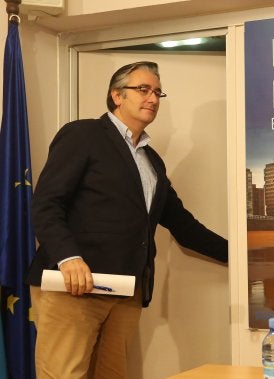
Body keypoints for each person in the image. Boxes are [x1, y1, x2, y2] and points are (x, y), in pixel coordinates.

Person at [27, 61, 228, 378]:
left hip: (125, 292)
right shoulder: (83, 135)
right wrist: (68, 257)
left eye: (158, 92)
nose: (153, 98)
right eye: (143, 89)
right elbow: (46, 203)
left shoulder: (152, 161)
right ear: (116, 95)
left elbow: (184, 227)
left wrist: (245, 258)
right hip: (74, 287)